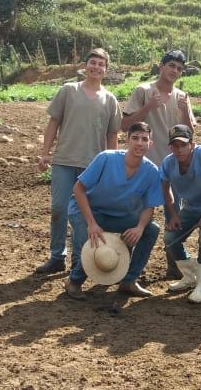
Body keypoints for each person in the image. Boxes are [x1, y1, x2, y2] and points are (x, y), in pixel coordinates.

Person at [35, 48, 121, 276]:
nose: (96, 67)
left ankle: (78, 260)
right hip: (64, 160)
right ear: (85, 66)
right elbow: (53, 123)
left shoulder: (110, 100)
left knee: (82, 215)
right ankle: (57, 256)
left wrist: (111, 165)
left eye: (101, 64)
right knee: (59, 208)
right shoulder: (68, 91)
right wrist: (45, 153)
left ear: (106, 70)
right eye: (93, 62)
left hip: (93, 166)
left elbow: (112, 135)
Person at [121, 49, 197, 280]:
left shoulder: (182, 97)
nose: (175, 71)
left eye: (179, 68)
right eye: (171, 65)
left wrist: (184, 112)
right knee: (136, 215)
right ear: (161, 66)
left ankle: (174, 263)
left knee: (174, 216)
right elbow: (125, 125)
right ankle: (124, 264)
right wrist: (147, 109)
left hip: (173, 167)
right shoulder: (143, 91)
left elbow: (190, 134)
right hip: (144, 166)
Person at [65, 122, 162, 299]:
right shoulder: (106, 158)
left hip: (117, 215)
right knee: (92, 237)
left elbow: (150, 206)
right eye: (135, 138)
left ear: (150, 143)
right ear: (127, 140)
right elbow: (78, 189)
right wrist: (92, 224)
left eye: (144, 139)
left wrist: (139, 228)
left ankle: (129, 280)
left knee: (151, 229)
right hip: (87, 210)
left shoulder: (151, 171)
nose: (139, 143)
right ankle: (74, 281)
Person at [159, 124, 201, 304]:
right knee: (170, 238)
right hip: (190, 208)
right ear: (170, 147)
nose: (179, 149)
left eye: (183, 144)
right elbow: (165, 190)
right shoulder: (168, 162)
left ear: (192, 144)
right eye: (175, 145)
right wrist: (173, 215)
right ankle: (190, 276)